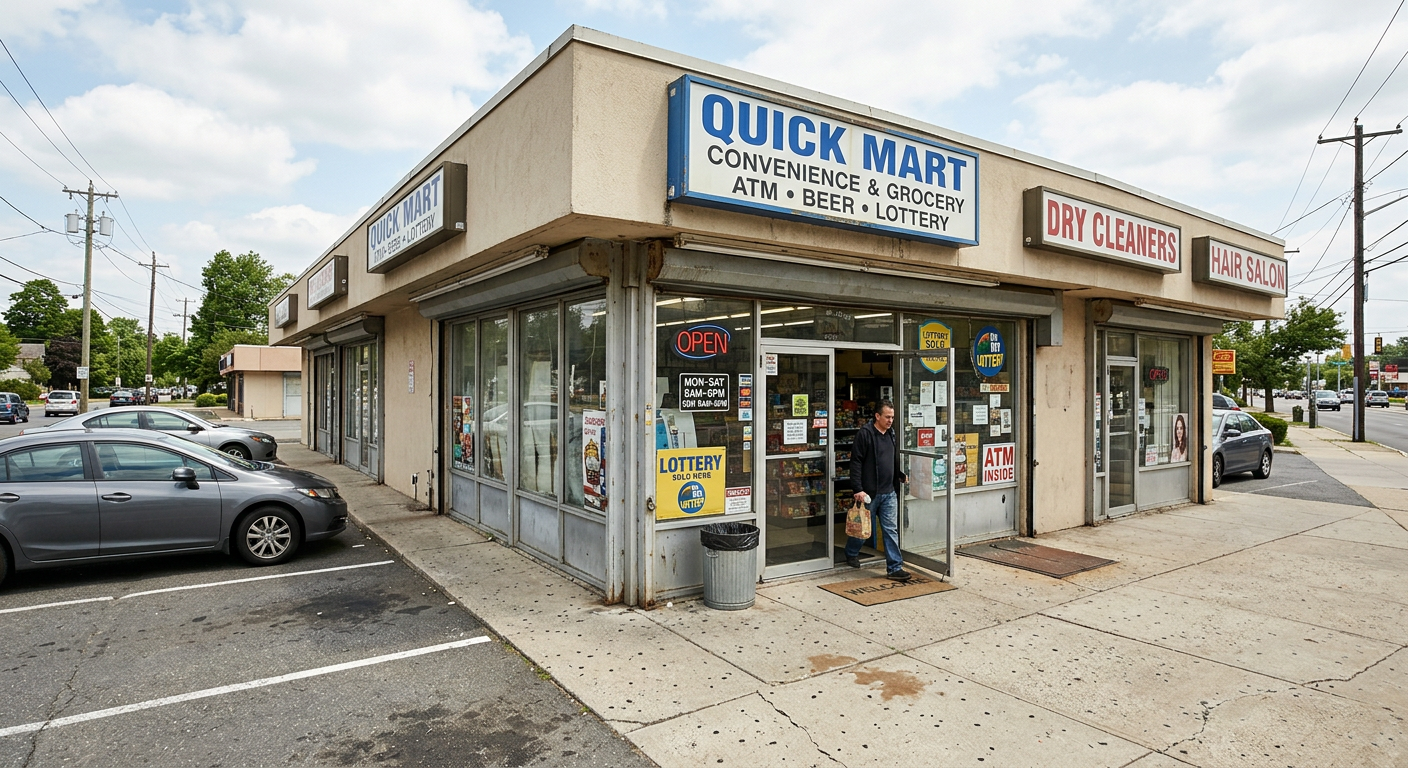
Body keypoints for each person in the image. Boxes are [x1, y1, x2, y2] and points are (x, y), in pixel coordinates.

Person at [847, 400, 910, 581]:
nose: (891, 420)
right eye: (887, 417)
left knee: (890, 530)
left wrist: (898, 474)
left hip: (888, 492)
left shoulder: (891, 434)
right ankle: (851, 552)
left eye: (892, 417)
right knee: (861, 530)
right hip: (868, 493)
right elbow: (856, 462)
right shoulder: (865, 434)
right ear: (877, 416)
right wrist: (858, 489)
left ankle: (894, 568)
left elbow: (890, 459)